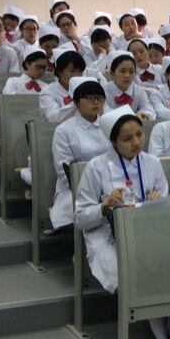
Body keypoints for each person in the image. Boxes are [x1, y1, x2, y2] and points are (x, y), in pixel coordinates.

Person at [74, 106, 170, 339]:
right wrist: (104, 206)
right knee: (136, 271)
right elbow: (80, 218)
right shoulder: (96, 168)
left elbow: (165, 204)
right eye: (127, 138)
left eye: (139, 135)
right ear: (113, 142)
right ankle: (167, 338)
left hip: (147, 231)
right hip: (106, 236)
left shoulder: (152, 163)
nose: (136, 142)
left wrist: (158, 199)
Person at [49, 78, 110, 230]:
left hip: (110, 185)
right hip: (75, 189)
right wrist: (94, 188)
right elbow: (64, 172)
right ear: (77, 102)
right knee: (87, 214)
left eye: (99, 98)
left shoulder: (109, 126)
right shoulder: (64, 130)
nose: (96, 102)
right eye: (89, 98)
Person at [39, 47, 87, 123]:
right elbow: (53, 118)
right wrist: (77, 102)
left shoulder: (86, 90)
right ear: (59, 71)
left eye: (80, 71)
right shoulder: (48, 92)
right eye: (72, 71)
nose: (77, 75)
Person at [103, 50, 154, 120]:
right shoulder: (103, 91)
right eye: (122, 71)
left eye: (131, 72)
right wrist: (133, 116)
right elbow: (106, 111)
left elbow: (148, 109)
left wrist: (143, 114)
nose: (127, 76)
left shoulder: (139, 91)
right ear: (112, 73)